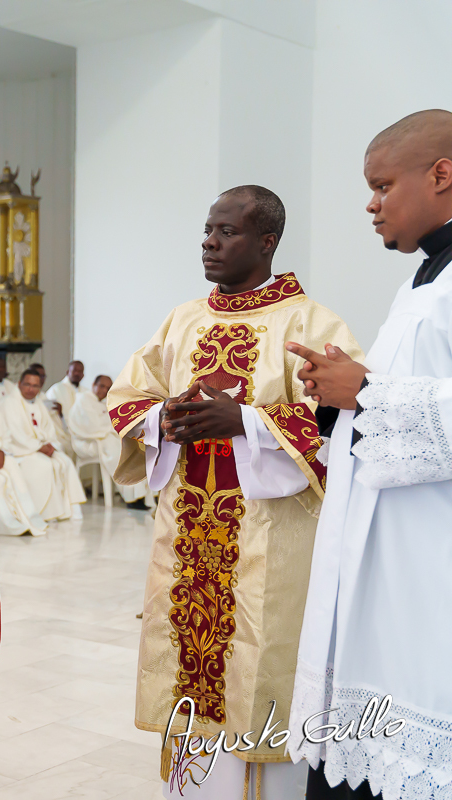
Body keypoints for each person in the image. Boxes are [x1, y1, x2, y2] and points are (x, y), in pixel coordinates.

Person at [106, 185, 360, 799]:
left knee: (260, 662)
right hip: (188, 536)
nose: (209, 243)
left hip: (267, 540)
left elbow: (342, 422)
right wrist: (162, 418)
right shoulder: (185, 318)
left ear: (267, 241)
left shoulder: (310, 322)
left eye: (226, 232)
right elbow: (126, 398)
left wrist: (244, 422)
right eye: (206, 231)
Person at [286, 110, 452, 800]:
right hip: (383, 570)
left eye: (382, 185)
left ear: (442, 174)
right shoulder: (422, 281)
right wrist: (344, 393)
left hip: (427, 576)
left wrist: (371, 392)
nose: (370, 203)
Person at [0, 367, 87, 522]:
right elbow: (15, 434)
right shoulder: (9, 403)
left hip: (39, 448)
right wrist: (39, 447)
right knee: (44, 466)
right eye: (27, 385)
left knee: (65, 462)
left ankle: (70, 511)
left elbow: (49, 429)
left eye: (35, 386)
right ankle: (44, 513)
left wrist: (50, 444)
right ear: (19, 384)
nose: (31, 389)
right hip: (20, 451)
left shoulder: (39, 403)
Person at [0, 370, 47, 536]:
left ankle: (29, 517)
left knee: (12, 466)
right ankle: (6, 522)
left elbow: (6, 437)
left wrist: (1, 451)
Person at [67, 375, 149, 509]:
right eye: (101, 386)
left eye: (108, 387)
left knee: (130, 448)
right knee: (116, 452)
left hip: (103, 438)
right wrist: (110, 429)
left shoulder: (104, 402)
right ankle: (131, 497)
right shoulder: (84, 400)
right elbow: (91, 427)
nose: (104, 390)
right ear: (93, 384)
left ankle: (139, 494)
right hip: (86, 442)